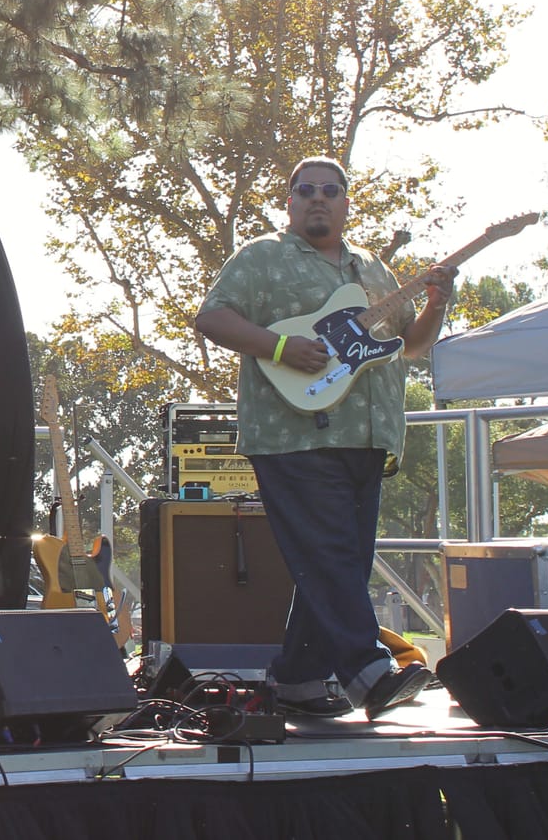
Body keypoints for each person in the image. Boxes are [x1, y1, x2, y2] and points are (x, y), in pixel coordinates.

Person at [192, 157, 454, 721]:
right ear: (289, 201)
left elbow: (411, 345)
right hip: (292, 434)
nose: (318, 198)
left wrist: (436, 302)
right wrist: (280, 348)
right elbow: (212, 318)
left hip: (368, 436)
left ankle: (300, 681)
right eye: (305, 190)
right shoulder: (262, 257)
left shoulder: (374, 271)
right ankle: (367, 670)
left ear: (345, 202)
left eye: (330, 191)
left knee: (343, 562)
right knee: (332, 553)